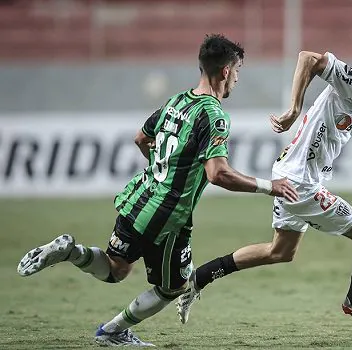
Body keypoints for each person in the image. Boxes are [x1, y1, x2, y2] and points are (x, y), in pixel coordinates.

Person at [16, 33, 298, 347]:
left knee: (116, 269)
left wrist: (163, 169)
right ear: (226, 72)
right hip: (168, 216)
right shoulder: (214, 116)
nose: (237, 80)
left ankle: (72, 252)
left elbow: (141, 138)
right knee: (174, 287)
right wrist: (268, 187)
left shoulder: (177, 100)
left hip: (139, 198)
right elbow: (219, 174)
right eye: (239, 72)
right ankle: (112, 331)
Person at [177, 32, 352, 327]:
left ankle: (197, 279)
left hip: (290, 175)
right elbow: (308, 58)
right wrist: (294, 109)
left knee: (280, 251)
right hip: (301, 184)